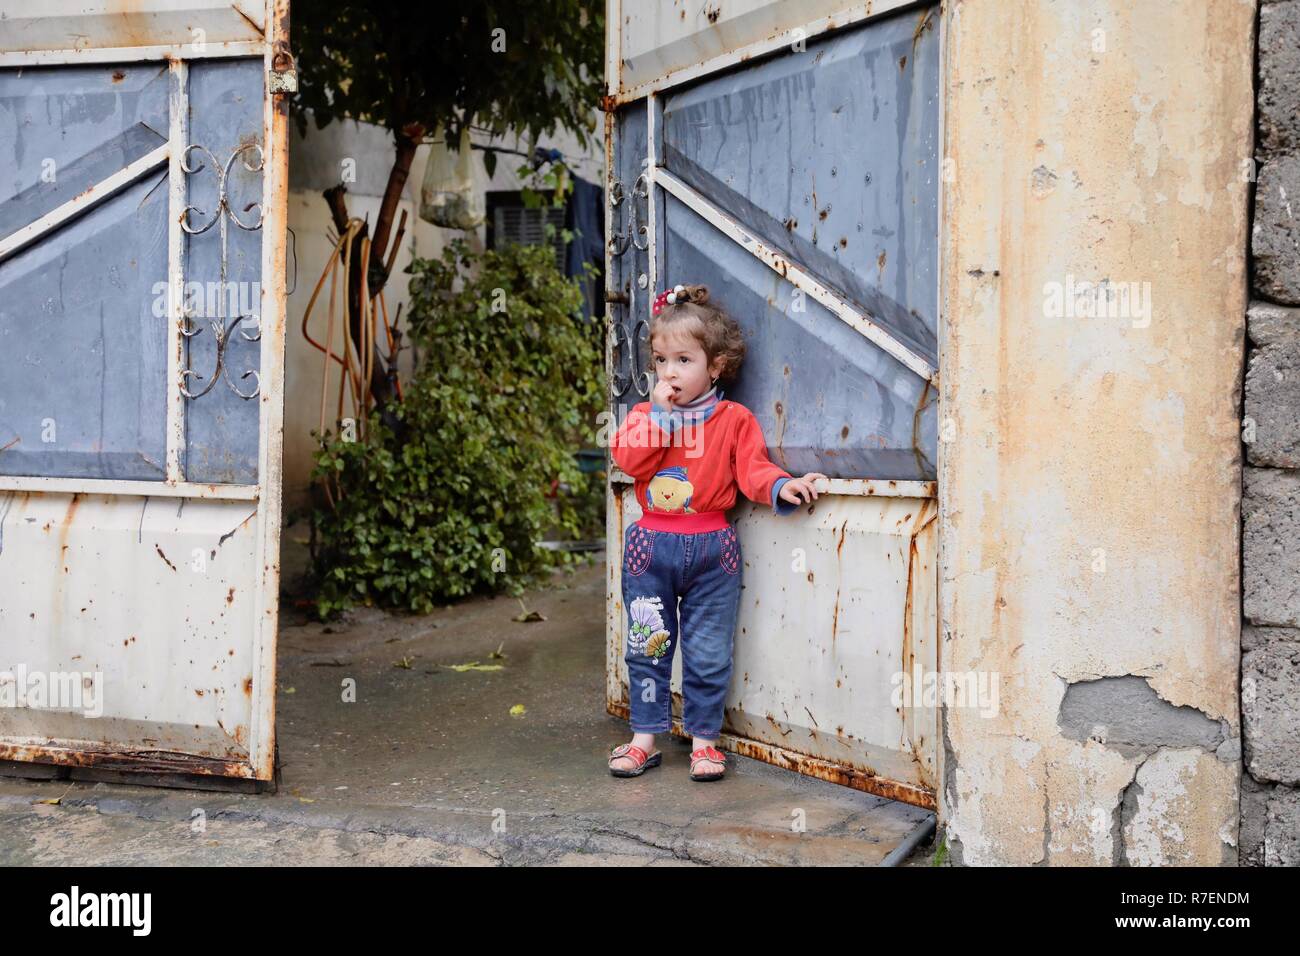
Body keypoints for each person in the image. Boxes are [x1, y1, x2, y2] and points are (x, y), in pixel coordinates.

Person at [607, 283, 825, 781]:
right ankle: (644, 737)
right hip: (650, 549)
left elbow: (752, 471)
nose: (669, 373)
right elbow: (627, 459)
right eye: (661, 361)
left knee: (708, 651)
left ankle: (704, 741)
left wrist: (782, 488)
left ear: (716, 366)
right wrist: (661, 416)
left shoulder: (733, 419)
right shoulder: (646, 417)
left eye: (683, 360)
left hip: (714, 551)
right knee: (648, 644)